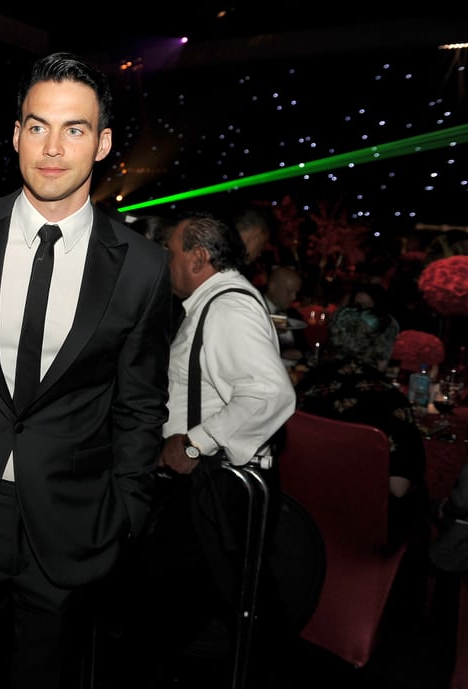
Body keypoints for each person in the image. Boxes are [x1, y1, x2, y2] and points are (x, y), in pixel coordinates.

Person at [0, 52, 173, 689]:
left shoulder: (142, 266)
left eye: (74, 129)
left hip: (73, 523)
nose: (52, 148)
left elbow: (140, 403)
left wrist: (127, 511)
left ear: (104, 143)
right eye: (37, 126)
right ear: (16, 134)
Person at [126, 211, 296, 689]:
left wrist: (196, 443)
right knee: (217, 603)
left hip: (217, 485)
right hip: (207, 484)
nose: (165, 260)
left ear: (198, 258)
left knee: (179, 604)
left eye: (171, 251)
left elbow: (269, 393)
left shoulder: (229, 308)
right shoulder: (212, 301)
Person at [294, 305, 428, 545]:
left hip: (299, 514)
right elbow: (398, 487)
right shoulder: (391, 402)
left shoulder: (306, 385)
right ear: (383, 346)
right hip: (361, 528)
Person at [262, 265, 310, 362]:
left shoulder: (294, 314)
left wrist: (302, 354)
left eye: (296, 292)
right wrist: (282, 352)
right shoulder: (256, 311)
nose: (294, 297)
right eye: (290, 292)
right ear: (273, 287)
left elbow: (305, 347)